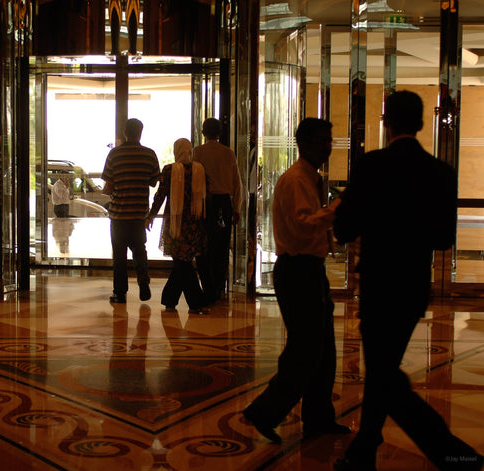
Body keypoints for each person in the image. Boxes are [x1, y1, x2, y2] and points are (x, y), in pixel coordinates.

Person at [332, 91, 483, 471]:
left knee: (383, 374)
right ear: (420, 124)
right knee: (384, 371)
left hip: (379, 284)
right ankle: (365, 449)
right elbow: (443, 239)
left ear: (387, 123)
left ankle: (453, 455)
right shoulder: (441, 173)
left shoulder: (371, 166)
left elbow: (345, 228)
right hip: (413, 286)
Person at [242, 118, 350, 444]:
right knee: (306, 350)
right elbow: (304, 225)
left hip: (308, 271)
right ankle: (264, 412)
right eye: (321, 141)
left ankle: (318, 418)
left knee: (323, 350)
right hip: (298, 271)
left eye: (329, 140)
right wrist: (337, 208)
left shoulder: (309, 178)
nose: (327, 147)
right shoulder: (296, 181)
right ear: (303, 144)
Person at [146, 138, 209, 314]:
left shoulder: (170, 170)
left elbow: (160, 195)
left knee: (182, 264)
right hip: (194, 225)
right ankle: (171, 299)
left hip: (176, 224)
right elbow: (206, 196)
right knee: (184, 262)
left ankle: (194, 302)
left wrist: (151, 215)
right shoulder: (199, 170)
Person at [101, 118, 160, 304]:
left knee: (119, 255)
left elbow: (108, 186)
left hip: (119, 214)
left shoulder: (114, 155)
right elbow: (153, 181)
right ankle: (143, 282)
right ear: (140, 132)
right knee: (139, 250)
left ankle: (120, 293)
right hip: (138, 214)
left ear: (125, 132)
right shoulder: (149, 155)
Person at [193, 118, 242, 304]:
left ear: (203, 133)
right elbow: (237, 183)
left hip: (205, 204)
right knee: (222, 248)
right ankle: (220, 287)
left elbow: (194, 181)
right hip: (224, 204)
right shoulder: (228, 153)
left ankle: (208, 287)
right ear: (220, 133)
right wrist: (236, 208)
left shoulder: (197, 152)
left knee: (204, 246)